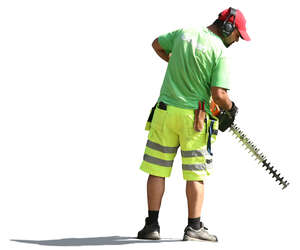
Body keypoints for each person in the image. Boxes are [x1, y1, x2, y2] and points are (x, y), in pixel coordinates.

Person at [137, 7, 250, 242]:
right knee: (195, 175)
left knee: (157, 170)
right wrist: (231, 109)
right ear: (228, 27)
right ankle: (194, 228)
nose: (237, 40)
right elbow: (218, 94)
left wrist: (174, 62)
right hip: (195, 119)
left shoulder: (184, 33)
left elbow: (156, 44)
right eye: (237, 34)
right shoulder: (219, 51)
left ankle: (151, 225)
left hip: (165, 113)